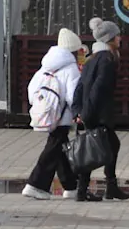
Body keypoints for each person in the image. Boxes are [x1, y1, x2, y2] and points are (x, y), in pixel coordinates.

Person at [22, 28, 86, 200]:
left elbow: (32, 90)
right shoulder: (71, 68)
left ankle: (71, 186)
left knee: (61, 148)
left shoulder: (46, 65)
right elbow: (73, 95)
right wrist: (80, 111)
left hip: (45, 112)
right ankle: (36, 184)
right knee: (54, 148)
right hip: (62, 116)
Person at [71, 17, 129, 202]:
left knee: (95, 148)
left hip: (89, 111)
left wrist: (77, 110)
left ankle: (86, 189)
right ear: (110, 38)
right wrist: (87, 112)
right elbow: (99, 88)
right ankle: (108, 188)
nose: (120, 38)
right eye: (117, 35)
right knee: (105, 147)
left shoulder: (91, 59)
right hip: (98, 113)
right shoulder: (107, 60)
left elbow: (80, 86)